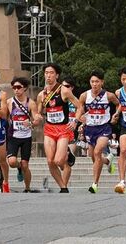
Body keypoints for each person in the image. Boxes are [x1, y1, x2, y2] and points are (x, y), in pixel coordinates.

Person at [35, 63, 82, 193]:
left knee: (58, 160)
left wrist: (75, 122)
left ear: (57, 75)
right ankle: (63, 187)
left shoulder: (64, 90)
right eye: (46, 73)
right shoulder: (41, 95)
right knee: (50, 161)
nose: (48, 75)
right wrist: (37, 117)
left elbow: (79, 107)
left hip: (63, 129)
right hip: (49, 129)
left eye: (51, 73)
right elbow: (39, 112)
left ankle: (67, 153)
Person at [77, 70, 119, 194]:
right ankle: (107, 160)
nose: (94, 84)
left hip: (104, 128)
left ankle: (94, 184)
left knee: (97, 152)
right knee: (93, 156)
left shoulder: (109, 95)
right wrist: (80, 119)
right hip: (90, 128)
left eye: (97, 81)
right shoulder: (84, 96)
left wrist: (115, 115)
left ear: (102, 82)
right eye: (92, 81)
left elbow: (119, 104)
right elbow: (80, 109)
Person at [5, 76, 37, 192]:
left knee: (25, 165)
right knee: (12, 162)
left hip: (26, 137)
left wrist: (32, 122)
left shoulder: (30, 103)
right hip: (13, 136)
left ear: (25, 88)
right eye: (14, 87)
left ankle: (27, 188)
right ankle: (18, 168)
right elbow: (3, 116)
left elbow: (37, 118)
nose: (16, 90)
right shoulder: (9, 102)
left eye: (19, 87)